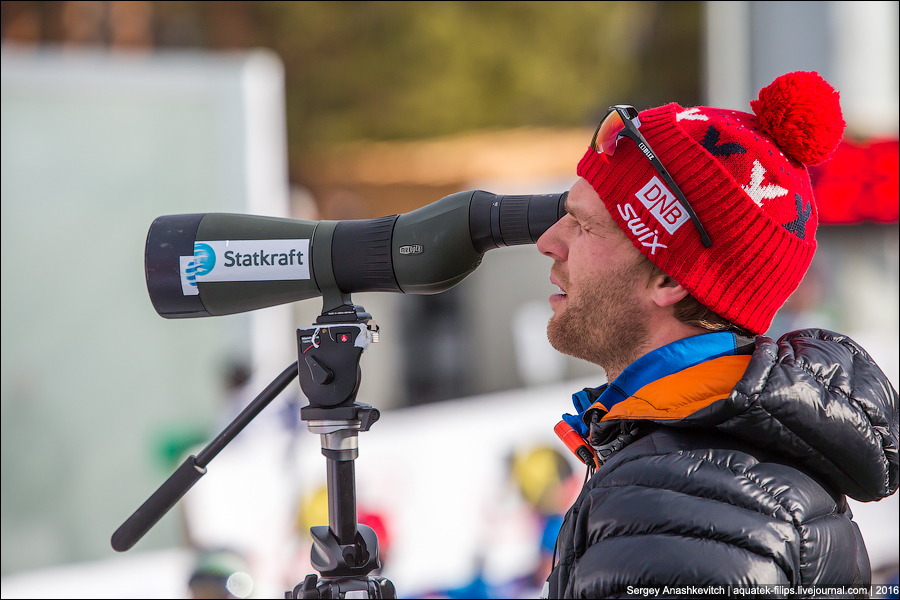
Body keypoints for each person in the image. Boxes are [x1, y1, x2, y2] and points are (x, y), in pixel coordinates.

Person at [535, 71, 899, 598]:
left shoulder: (675, 503)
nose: (549, 242)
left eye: (584, 225)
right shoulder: (712, 466)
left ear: (668, 279)